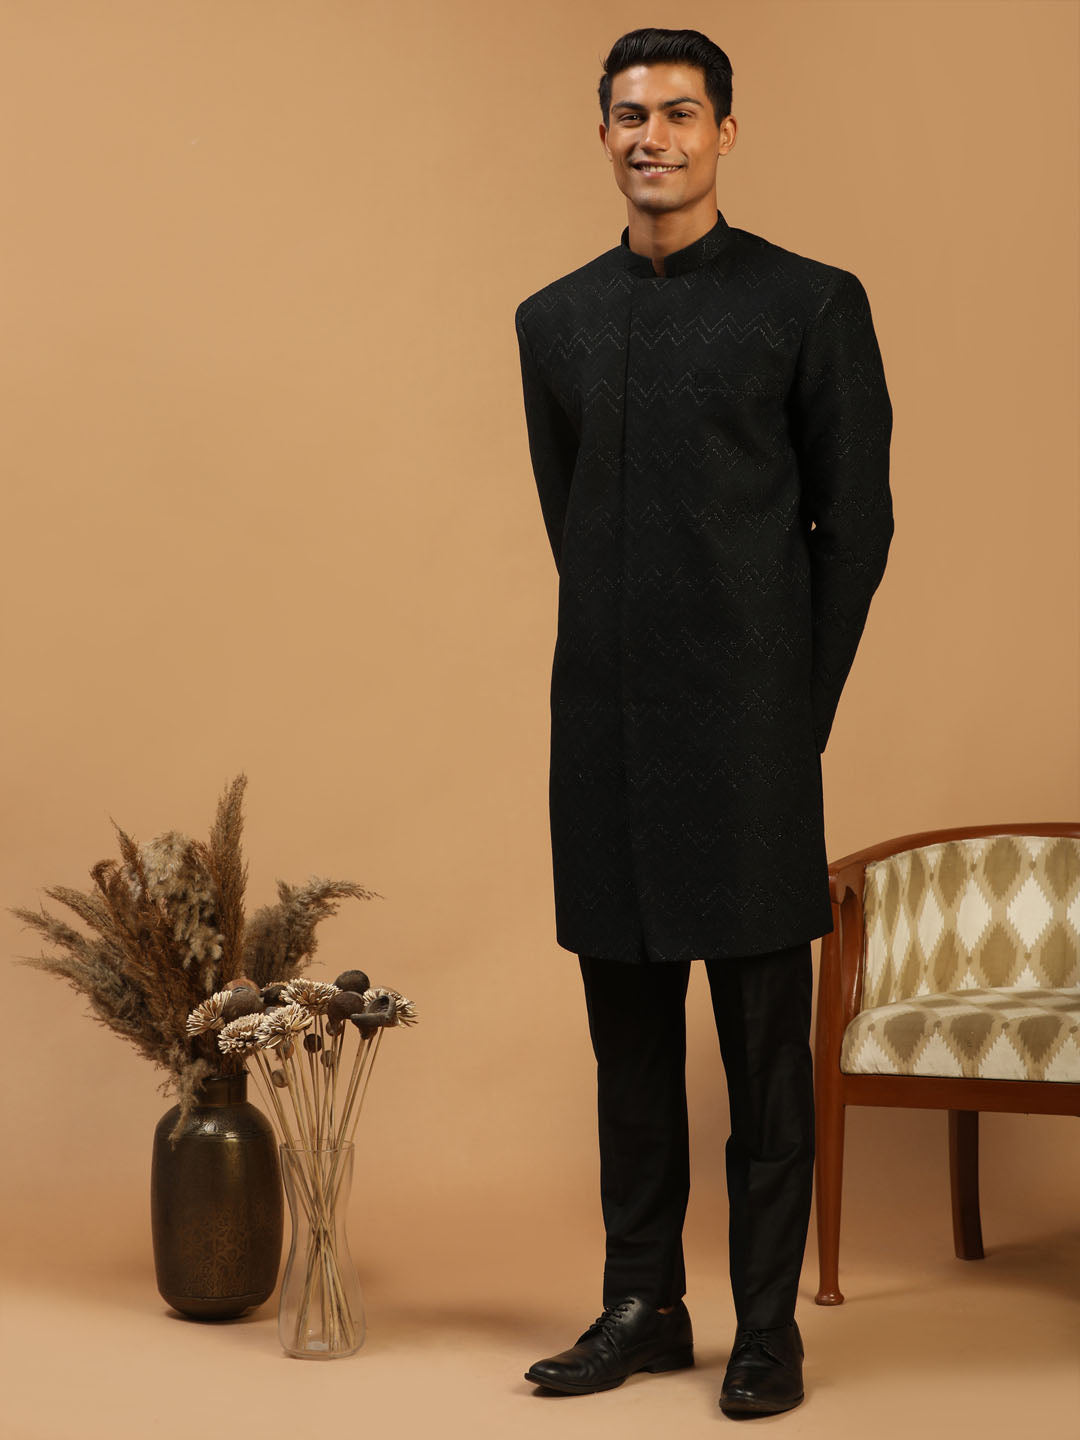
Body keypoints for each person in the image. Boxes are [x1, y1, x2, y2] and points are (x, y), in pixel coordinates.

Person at [513, 26, 893, 1420]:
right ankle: (644, 1306)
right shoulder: (553, 322)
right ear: (602, 134)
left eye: (680, 112)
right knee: (627, 1054)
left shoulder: (811, 304)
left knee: (764, 1062)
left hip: (750, 746)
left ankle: (766, 1330)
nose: (653, 136)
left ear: (726, 131)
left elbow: (857, 529)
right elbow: (572, 522)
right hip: (603, 741)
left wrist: (792, 712)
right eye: (631, 114)